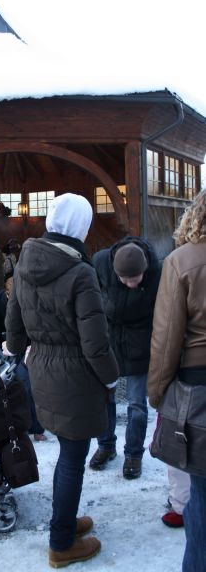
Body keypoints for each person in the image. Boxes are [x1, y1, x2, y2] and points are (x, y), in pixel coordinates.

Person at [5, 193, 118, 567]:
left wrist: (21, 350)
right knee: (72, 457)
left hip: (42, 368)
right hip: (76, 375)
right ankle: (61, 542)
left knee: (68, 454)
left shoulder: (25, 262)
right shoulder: (80, 272)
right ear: (80, 227)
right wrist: (111, 379)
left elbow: (13, 326)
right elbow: (95, 343)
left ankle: (65, 522)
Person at [148, 188, 206, 572]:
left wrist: (157, 393)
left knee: (202, 492)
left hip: (199, 388)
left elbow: (167, 336)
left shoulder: (182, 260)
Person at [88, 237, 161, 479]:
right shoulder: (101, 262)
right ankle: (105, 446)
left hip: (139, 343)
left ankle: (133, 454)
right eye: (124, 279)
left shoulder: (158, 272)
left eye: (135, 279)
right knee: (103, 398)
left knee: (137, 404)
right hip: (108, 341)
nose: (130, 283)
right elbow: (90, 295)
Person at [0, 272, 46, 441]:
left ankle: (36, 428)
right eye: (11, 296)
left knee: (28, 386)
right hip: (4, 349)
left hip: (28, 348)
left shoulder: (31, 300)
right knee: (10, 389)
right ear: (6, 293)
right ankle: (15, 426)